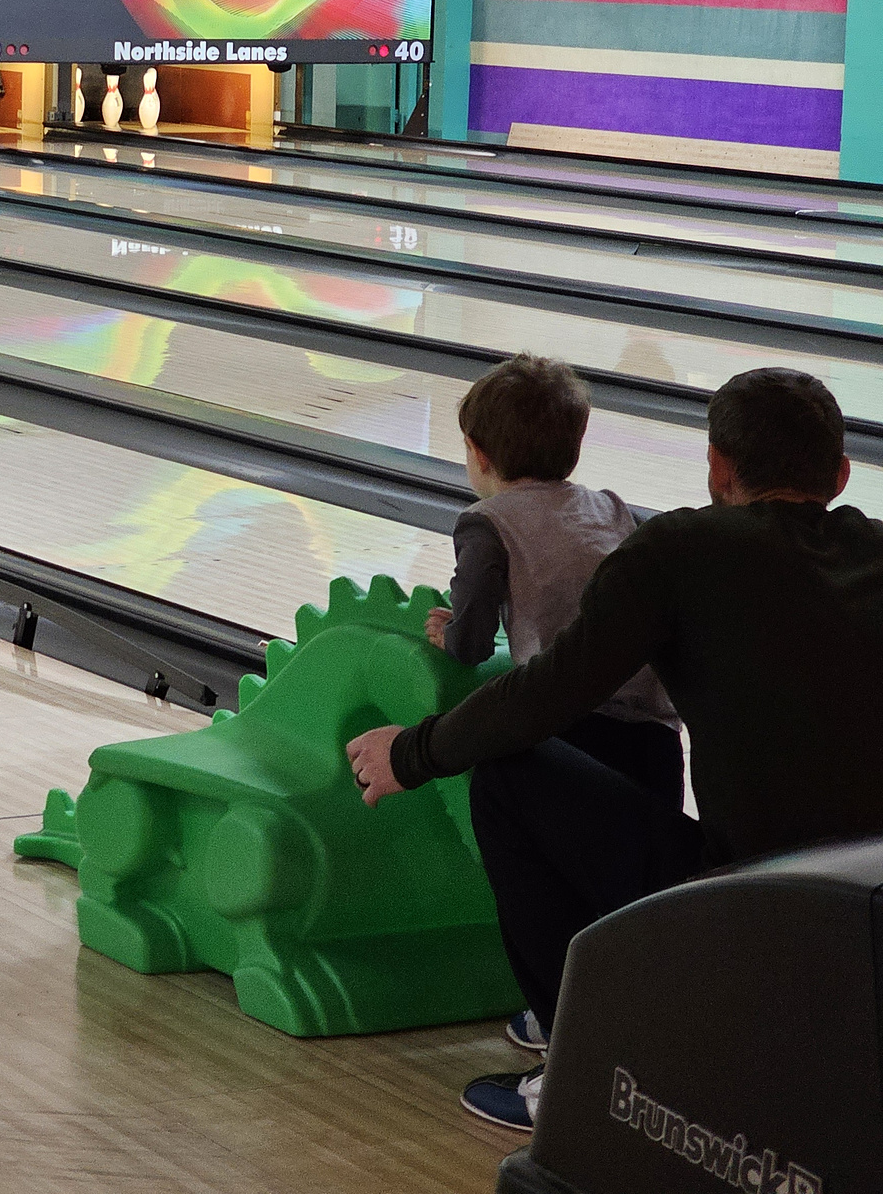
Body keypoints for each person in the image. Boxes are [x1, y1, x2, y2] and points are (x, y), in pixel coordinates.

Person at [346, 368, 883, 1134]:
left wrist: (415, 752)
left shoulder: (683, 547)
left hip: (751, 905)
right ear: (840, 475)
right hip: (871, 910)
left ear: (717, 469)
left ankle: (576, 1066)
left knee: (508, 771)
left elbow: (546, 694)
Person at [426, 355, 684, 1060]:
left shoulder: (487, 522)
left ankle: (560, 1031)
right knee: (623, 905)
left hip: (570, 733)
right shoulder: (609, 506)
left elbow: (475, 641)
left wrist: (448, 630)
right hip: (658, 741)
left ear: (477, 454)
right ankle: (623, 1031)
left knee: (544, 886)